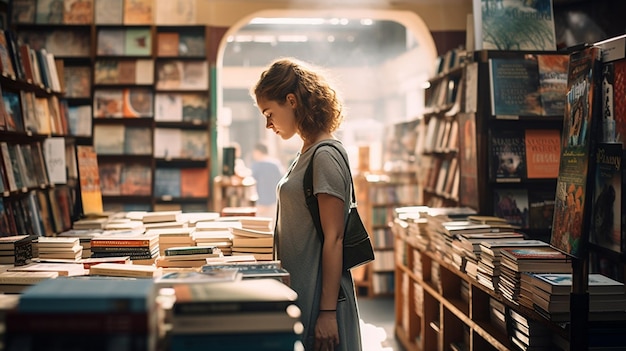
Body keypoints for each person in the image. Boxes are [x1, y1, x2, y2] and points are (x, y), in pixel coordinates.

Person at [252, 57, 362, 351]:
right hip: (302, 293)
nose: (268, 124)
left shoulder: (324, 155)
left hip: (321, 302)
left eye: (269, 112)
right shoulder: (306, 151)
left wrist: (326, 314)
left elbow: (335, 238)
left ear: (291, 101)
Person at [250, 143, 283, 220]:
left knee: (261, 227)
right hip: (275, 201)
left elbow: (251, 182)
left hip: (262, 203)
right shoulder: (276, 164)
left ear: (257, 152)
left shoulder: (257, 165)